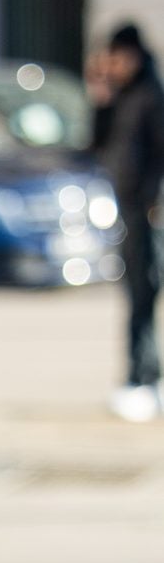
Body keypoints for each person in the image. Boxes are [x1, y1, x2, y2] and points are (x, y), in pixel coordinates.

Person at [88, 22, 164, 422]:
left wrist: (153, 201)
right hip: (126, 206)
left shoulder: (152, 94)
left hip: (148, 211)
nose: (111, 66)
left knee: (144, 291)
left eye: (115, 58)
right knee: (135, 292)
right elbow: (98, 143)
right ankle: (142, 375)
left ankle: (144, 378)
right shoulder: (122, 95)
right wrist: (101, 98)